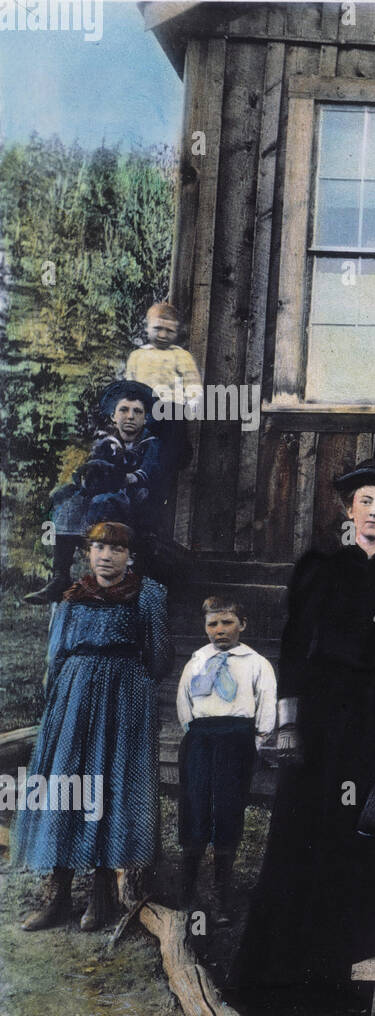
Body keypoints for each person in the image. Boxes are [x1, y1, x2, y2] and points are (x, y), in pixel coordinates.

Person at [231, 458, 375, 995]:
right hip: (318, 713)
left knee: (353, 830)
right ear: (349, 509)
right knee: (301, 826)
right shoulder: (320, 567)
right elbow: (294, 646)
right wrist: (286, 720)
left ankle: (344, 977)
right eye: (367, 501)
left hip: (367, 717)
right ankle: (278, 975)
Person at [12, 521, 171, 933]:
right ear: (87, 553)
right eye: (99, 548)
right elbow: (57, 655)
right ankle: (57, 894)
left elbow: (159, 657)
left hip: (123, 698)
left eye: (117, 550)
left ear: (129, 556)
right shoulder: (72, 598)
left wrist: (129, 687)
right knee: (67, 784)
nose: (107, 556)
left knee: (110, 787)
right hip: (73, 698)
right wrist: (62, 698)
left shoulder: (147, 596)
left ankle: (100, 895)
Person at [175, 596, 277, 923]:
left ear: (242, 624)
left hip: (237, 739)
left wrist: (259, 739)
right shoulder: (197, 661)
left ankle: (222, 890)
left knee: (228, 808)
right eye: (212, 624)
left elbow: (266, 703)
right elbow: (184, 701)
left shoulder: (255, 663)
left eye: (227, 622)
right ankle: (187, 886)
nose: (220, 630)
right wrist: (193, 733)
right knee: (194, 804)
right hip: (201, 738)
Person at [25, 381, 162, 604]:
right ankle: (60, 576)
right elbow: (94, 468)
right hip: (103, 494)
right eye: (124, 410)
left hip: (134, 500)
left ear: (145, 418)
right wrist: (87, 475)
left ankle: (101, 578)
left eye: (138, 412)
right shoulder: (107, 441)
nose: (130, 416)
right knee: (64, 500)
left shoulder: (150, 443)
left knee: (104, 502)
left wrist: (126, 477)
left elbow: (148, 473)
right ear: (113, 416)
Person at [124, 301, 202, 488]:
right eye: (157, 328)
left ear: (177, 332)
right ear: (147, 327)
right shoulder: (137, 356)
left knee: (170, 449)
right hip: (145, 409)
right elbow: (129, 384)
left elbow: (193, 382)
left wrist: (193, 402)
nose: (162, 335)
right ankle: (140, 477)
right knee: (143, 444)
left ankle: (164, 474)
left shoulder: (180, 355)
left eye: (169, 331)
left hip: (171, 408)